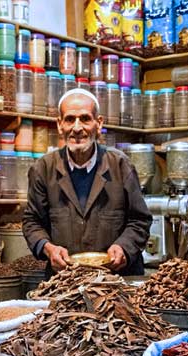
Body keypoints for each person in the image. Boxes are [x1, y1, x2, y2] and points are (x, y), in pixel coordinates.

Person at [22, 88, 151, 276]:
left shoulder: (120, 165)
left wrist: (123, 247)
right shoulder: (43, 169)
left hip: (116, 280)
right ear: (59, 125)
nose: (76, 128)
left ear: (99, 124)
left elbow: (140, 220)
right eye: (69, 119)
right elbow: (32, 222)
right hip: (66, 280)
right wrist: (48, 248)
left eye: (85, 119)